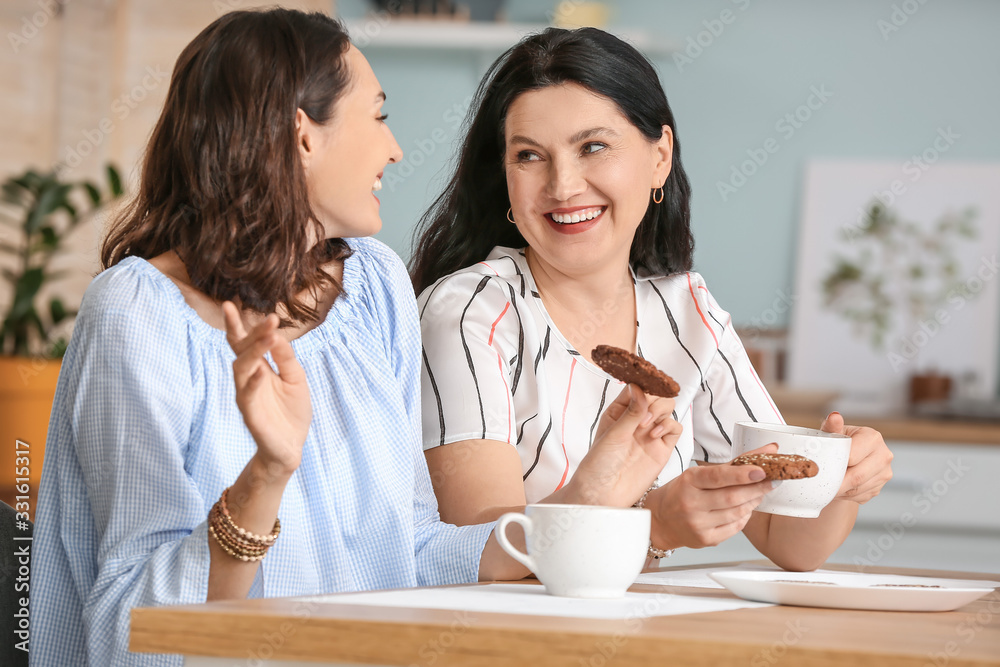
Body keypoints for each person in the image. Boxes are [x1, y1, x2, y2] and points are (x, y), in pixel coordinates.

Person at [32, 11, 674, 665]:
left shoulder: (374, 282)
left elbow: (415, 550)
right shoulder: (139, 312)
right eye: (377, 115)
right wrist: (267, 475)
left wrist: (586, 495)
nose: (395, 148)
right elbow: (135, 633)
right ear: (302, 133)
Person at [410, 27, 893, 573]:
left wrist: (846, 476)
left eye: (593, 146)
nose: (563, 186)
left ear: (659, 156)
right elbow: (489, 550)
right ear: (505, 176)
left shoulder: (688, 311)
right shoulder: (468, 310)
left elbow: (792, 541)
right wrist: (654, 523)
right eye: (529, 156)